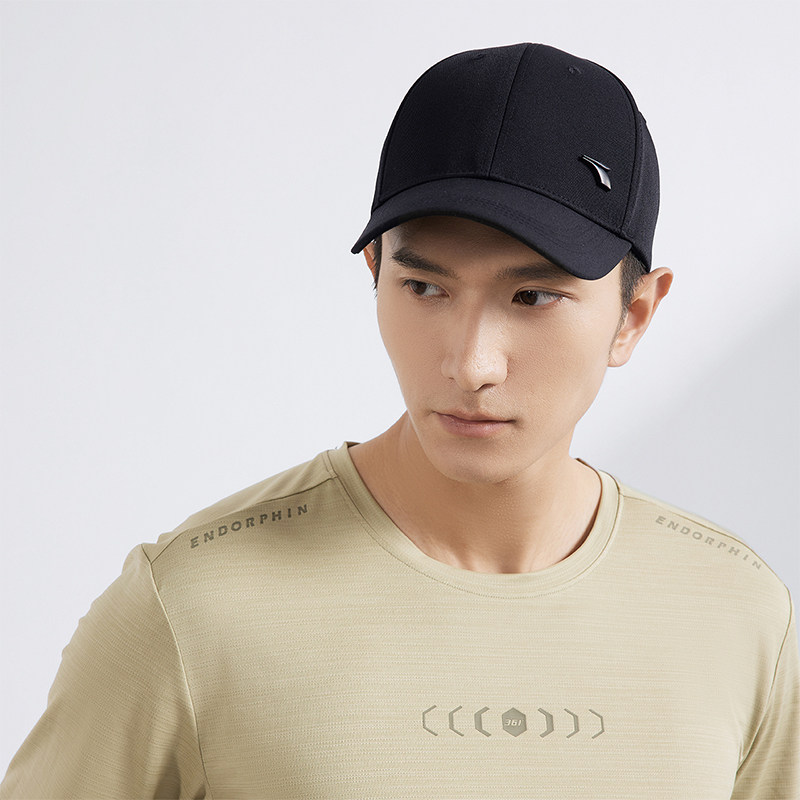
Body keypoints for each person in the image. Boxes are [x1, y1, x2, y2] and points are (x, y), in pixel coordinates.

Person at [1, 41, 797, 800]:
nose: (472, 363)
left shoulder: (739, 616)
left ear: (635, 315)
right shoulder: (190, 606)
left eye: (532, 297)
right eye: (425, 288)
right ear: (375, 273)